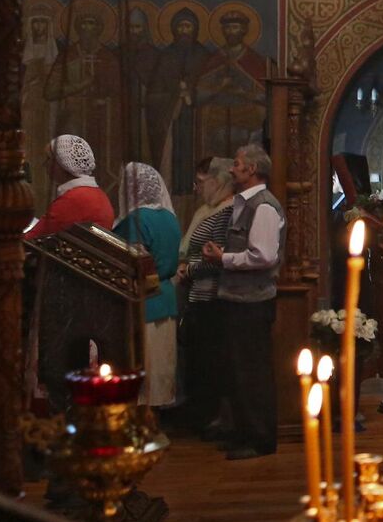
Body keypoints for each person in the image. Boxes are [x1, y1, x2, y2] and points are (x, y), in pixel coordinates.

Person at [201, 142, 285, 460]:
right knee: (237, 371)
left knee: (252, 372)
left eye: (237, 164)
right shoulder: (244, 202)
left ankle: (260, 438)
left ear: (251, 170)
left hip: (252, 300)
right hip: (237, 298)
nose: (232, 169)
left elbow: (263, 255)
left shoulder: (263, 205)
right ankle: (243, 432)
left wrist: (224, 258)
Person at [112, 163, 182, 410]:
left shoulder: (135, 221)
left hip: (142, 302)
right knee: (161, 368)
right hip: (166, 299)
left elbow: (127, 264)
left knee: (141, 369)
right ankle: (155, 426)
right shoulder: (169, 218)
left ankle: (139, 428)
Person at [178, 156, 234, 440]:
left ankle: (212, 417)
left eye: (202, 182)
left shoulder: (226, 211)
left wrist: (189, 268)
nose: (197, 188)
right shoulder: (207, 209)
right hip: (198, 294)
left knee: (211, 362)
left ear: (219, 180)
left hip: (213, 296)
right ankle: (201, 415)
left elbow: (216, 257)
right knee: (200, 361)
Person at [26, 135, 114, 239]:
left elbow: (31, 239)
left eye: (48, 158)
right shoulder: (97, 193)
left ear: (61, 163)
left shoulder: (74, 199)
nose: (44, 164)